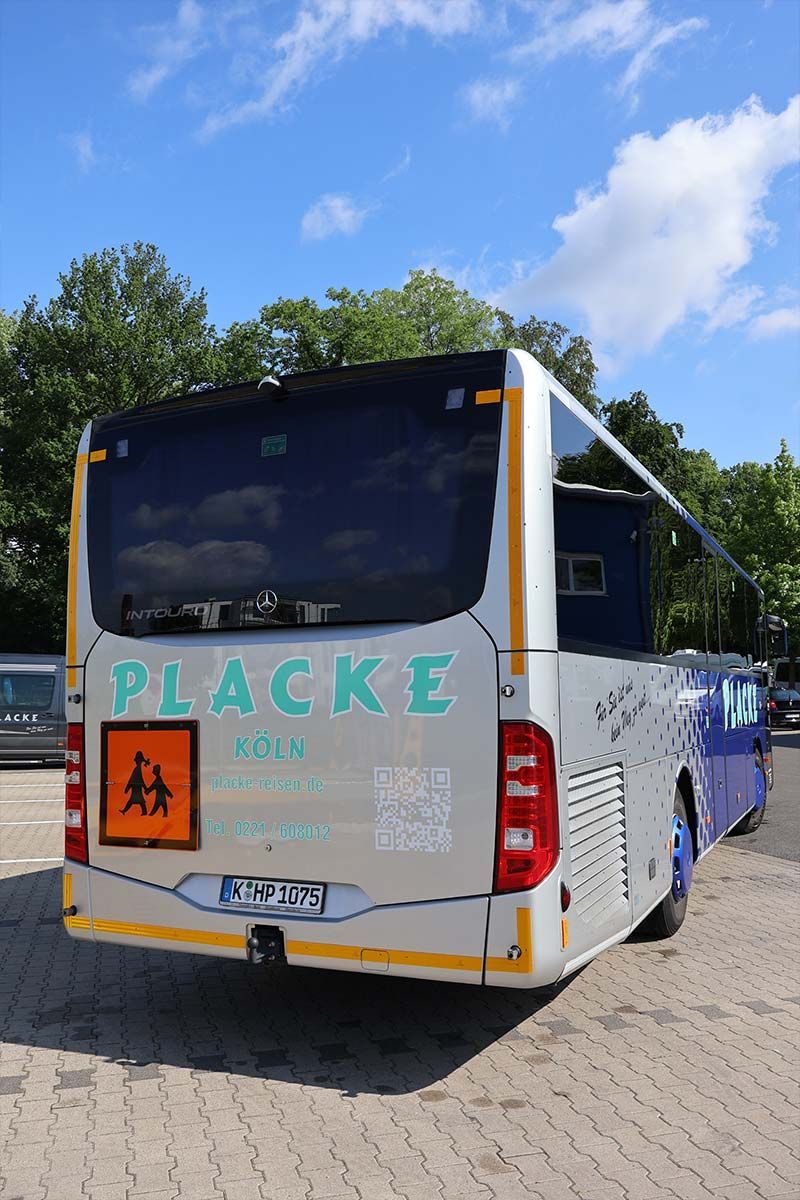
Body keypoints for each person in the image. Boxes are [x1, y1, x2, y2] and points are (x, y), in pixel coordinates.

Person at [120, 750, 150, 815]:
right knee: (134, 801)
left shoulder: (137, 769)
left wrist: (127, 788)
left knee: (136, 801)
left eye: (137, 760)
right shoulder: (137, 769)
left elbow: (137, 779)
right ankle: (125, 811)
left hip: (136, 788)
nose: (136, 761)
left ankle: (144, 812)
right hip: (136, 788)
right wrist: (145, 788)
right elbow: (135, 779)